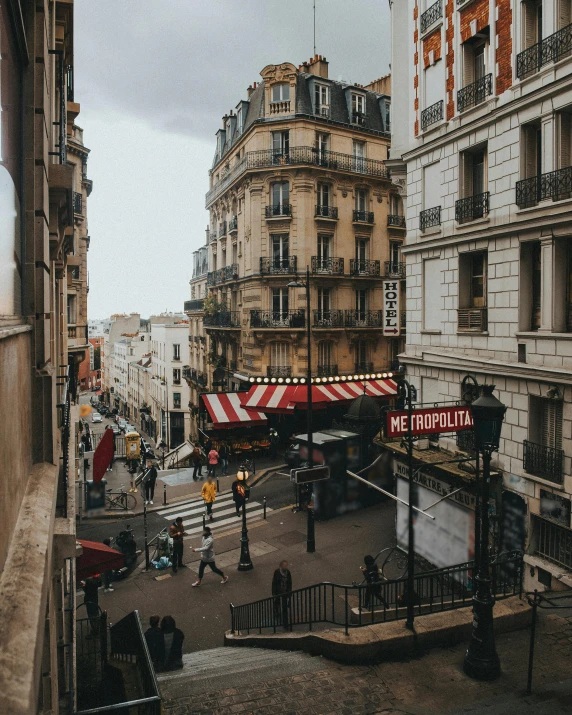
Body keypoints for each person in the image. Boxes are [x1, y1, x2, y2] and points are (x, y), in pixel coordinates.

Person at [272, 560, 292, 630]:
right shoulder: (277, 572)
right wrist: (274, 592)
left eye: (286, 565)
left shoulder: (288, 572)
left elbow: (289, 583)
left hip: (285, 592)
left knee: (284, 607)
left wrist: (289, 592)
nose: (285, 567)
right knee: (277, 602)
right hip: (278, 591)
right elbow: (274, 582)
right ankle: (276, 611)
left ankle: (285, 623)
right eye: (284, 565)